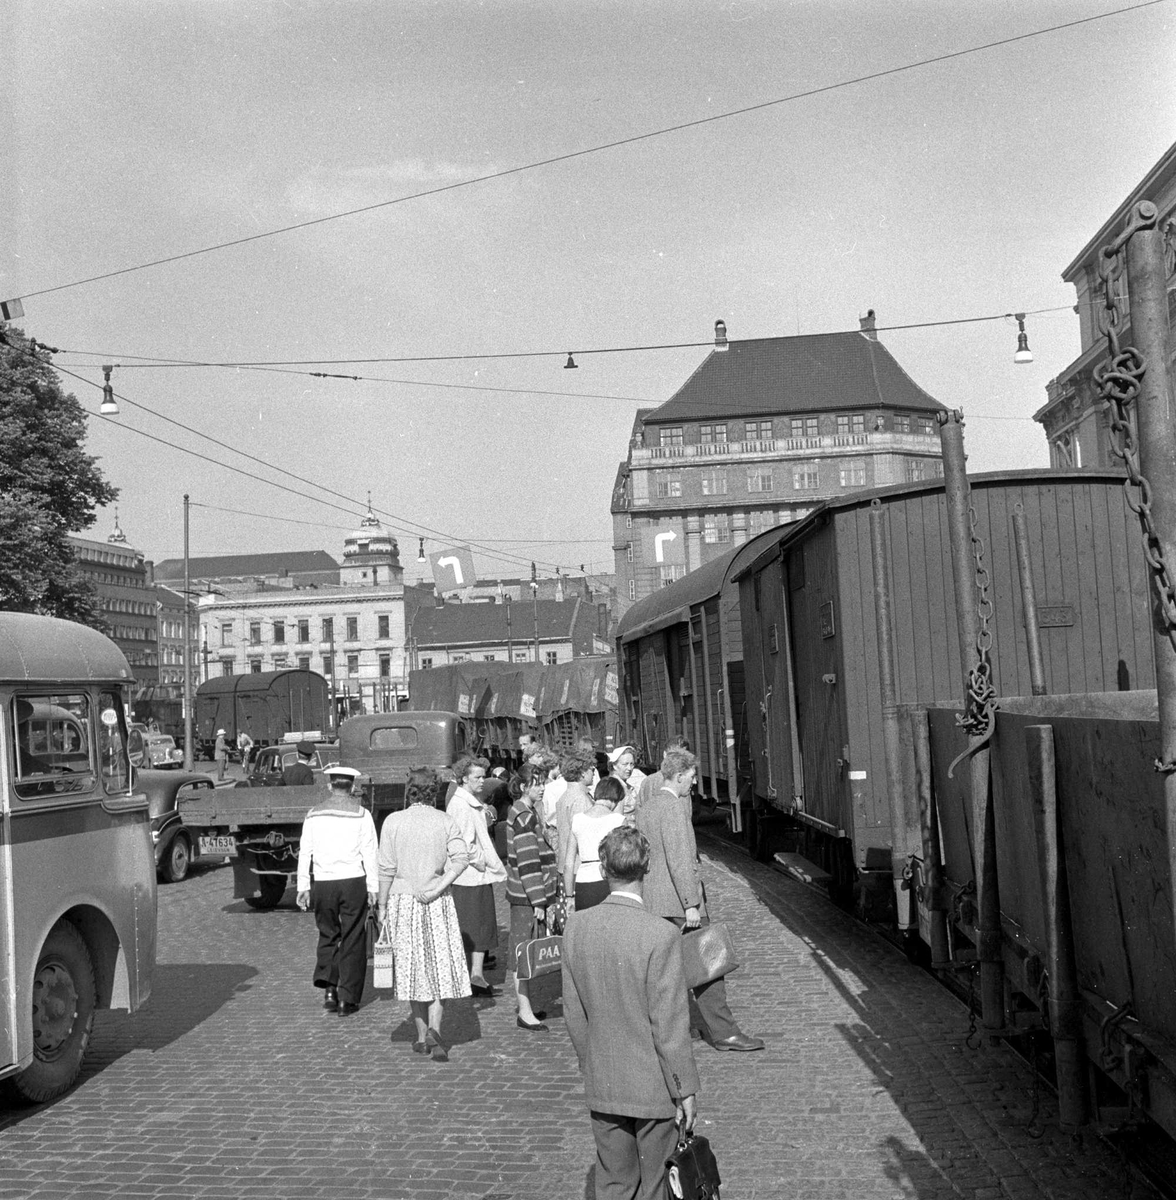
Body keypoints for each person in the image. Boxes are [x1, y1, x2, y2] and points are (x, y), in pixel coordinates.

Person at [563, 825, 699, 1200]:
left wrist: (590, 1061)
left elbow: (574, 1014)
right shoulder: (660, 935)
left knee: (613, 1182)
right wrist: (684, 1088)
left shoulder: (576, 928)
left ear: (604, 870)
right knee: (656, 1183)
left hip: (603, 1079)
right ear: (647, 868)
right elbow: (669, 1025)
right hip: (653, 1086)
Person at [635, 747, 764, 1053]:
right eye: (691, 777)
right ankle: (725, 1033)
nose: (693, 783)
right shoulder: (675, 809)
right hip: (682, 905)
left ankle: (663, 1031)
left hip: (656, 902)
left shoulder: (648, 808)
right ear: (678, 776)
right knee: (710, 967)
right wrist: (691, 902)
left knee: (665, 972)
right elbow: (680, 861)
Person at [378, 767, 471, 1061]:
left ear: (410, 790)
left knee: (411, 970)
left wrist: (381, 907)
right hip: (436, 900)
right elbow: (461, 858)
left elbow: (385, 869)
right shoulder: (445, 821)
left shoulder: (393, 821)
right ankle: (435, 1027)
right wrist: (439, 885)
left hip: (402, 901)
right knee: (438, 967)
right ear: (435, 792)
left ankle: (420, 1037)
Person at [295, 765, 378, 1017]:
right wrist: (373, 887)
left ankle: (329, 989)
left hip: (324, 882)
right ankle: (347, 998)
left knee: (328, 933)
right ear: (352, 787)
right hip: (353, 880)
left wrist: (303, 886)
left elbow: (305, 851)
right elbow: (370, 853)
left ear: (330, 785)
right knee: (353, 937)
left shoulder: (313, 814)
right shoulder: (361, 814)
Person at [446, 755, 506, 997]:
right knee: (474, 926)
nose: (483, 781)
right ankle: (473, 976)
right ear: (464, 779)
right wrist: (481, 861)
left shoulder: (468, 801)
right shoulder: (461, 805)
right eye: (477, 777)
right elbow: (462, 842)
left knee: (480, 926)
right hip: (469, 875)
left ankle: (476, 975)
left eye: (484, 776)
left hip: (475, 875)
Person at [505, 763, 557, 1031]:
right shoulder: (525, 817)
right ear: (524, 786)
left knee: (525, 952)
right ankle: (524, 1011)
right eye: (536, 783)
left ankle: (526, 1006)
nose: (542, 787)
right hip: (526, 898)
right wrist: (538, 900)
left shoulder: (522, 811)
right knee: (523, 953)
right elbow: (528, 863)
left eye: (543, 782)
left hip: (524, 895)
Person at [563, 776, 626, 911]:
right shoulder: (618, 821)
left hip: (583, 884)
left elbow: (568, 864)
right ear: (615, 798)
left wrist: (569, 896)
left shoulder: (578, 820)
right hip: (610, 882)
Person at [554, 750, 596, 872]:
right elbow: (584, 836)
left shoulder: (565, 796)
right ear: (582, 773)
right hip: (579, 867)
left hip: (567, 865)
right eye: (592, 770)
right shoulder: (581, 799)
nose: (594, 773)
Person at [607, 745, 646, 819]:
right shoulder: (613, 787)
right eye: (625, 764)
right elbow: (617, 819)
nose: (629, 768)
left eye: (632, 764)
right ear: (614, 765)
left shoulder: (628, 786)